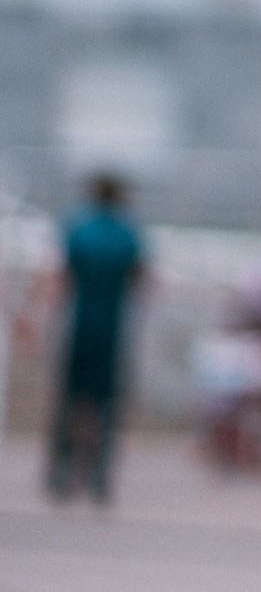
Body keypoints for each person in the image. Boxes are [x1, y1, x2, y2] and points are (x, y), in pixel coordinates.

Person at [47, 172, 148, 505]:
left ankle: (61, 470)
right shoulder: (128, 233)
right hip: (113, 328)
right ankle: (99, 475)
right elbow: (141, 280)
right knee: (105, 405)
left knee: (69, 400)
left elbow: (62, 277)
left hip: (77, 324)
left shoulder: (79, 229)